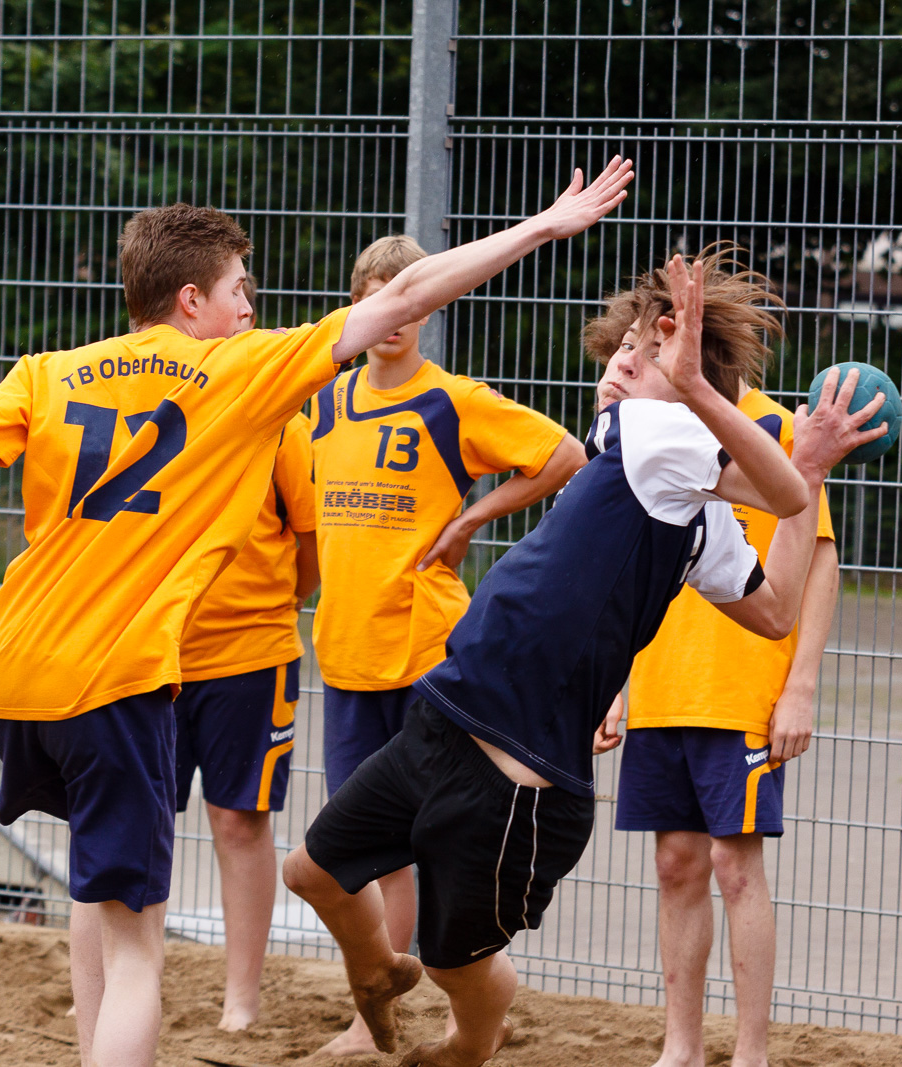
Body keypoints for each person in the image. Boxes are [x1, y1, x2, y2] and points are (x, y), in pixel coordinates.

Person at [0, 158, 634, 1067]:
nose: (250, 308)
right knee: (136, 946)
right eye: (239, 290)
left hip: (15, 672)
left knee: (95, 890)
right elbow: (402, 298)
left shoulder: (48, 369)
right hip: (115, 681)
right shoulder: (240, 372)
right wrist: (541, 228)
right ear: (190, 299)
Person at [282, 252, 888, 1067]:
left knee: (454, 961)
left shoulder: (664, 444)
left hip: (515, 779)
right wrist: (799, 463)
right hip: (448, 718)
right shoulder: (646, 460)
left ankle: (465, 1045)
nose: (619, 367)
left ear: (682, 381)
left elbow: (778, 595)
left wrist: (777, 450)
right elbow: (772, 530)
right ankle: (377, 971)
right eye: (622, 351)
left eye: (643, 355)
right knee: (310, 870)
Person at [308, 235, 588, 1056]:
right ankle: (384, 994)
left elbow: (563, 454)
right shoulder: (323, 403)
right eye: (376, 292)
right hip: (346, 648)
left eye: (409, 293)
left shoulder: (452, 400)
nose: (392, 312)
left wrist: (471, 516)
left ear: (428, 305)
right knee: (355, 848)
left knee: (423, 844)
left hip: (428, 651)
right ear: (359, 302)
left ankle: (378, 1020)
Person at [591, 251, 839, 1067]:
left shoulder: (773, 432)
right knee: (675, 863)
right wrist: (619, 686)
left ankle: (753, 1052)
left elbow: (821, 560)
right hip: (664, 677)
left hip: (741, 685)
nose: (633, 354)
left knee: (736, 866)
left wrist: (800, 686)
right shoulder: (648, 431)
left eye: (649, 337)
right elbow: (630, 569)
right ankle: (682, 1047)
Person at [172, 273, 321, 1033]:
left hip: (250, 652)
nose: (250, 315)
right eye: (240, 298)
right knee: (139, 819)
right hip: (154, 654)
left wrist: (275, 604)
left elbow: (308, 541)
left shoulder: (278, 421)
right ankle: (123, 974)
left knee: (239, 821)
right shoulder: (151, 407)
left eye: (254, 305)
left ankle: (241, 997)